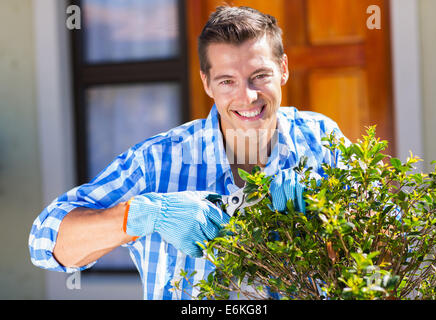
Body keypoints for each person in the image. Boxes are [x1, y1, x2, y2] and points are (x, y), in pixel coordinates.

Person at [29, 5, 349, 300]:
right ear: (206, 83)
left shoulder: (320, 139)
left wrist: (329, 217)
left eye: (260, 76)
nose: (247, 96)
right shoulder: (157, 162)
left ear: (283, 69)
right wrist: (145, 214)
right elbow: (45, 244)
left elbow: (391, 242)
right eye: (227, 81)